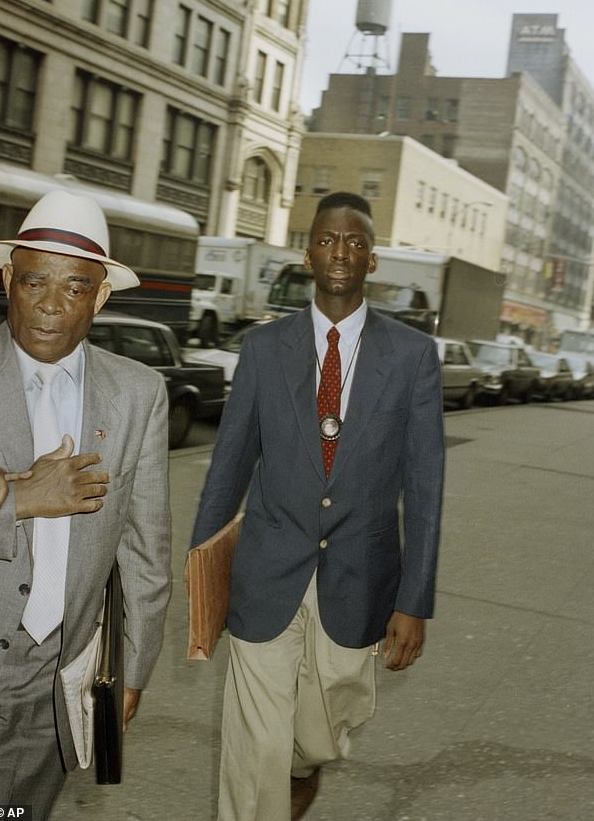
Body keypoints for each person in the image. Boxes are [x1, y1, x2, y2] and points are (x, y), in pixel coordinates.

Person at [190, 191, 445, 821]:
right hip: (265, 571)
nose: (341, 253)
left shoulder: (412, 357)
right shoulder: (262, 348)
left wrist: (414, 601)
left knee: (316, 734)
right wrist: (203, 582)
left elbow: (427, 485)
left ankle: (303, 763)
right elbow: (228, 468)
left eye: (355, 243)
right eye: (328, 240)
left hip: (359, 578)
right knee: (255, 750)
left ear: (373, 260)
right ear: (308, 254)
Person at [0, 190, 171, 820]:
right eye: (34, 281)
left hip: (52, 689)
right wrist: (20, 498)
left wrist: (133, 672)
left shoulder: (138, 395)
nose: (49, 305)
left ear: (100, 297)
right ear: (8, 279)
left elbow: (146, 555)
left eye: (74, 288)